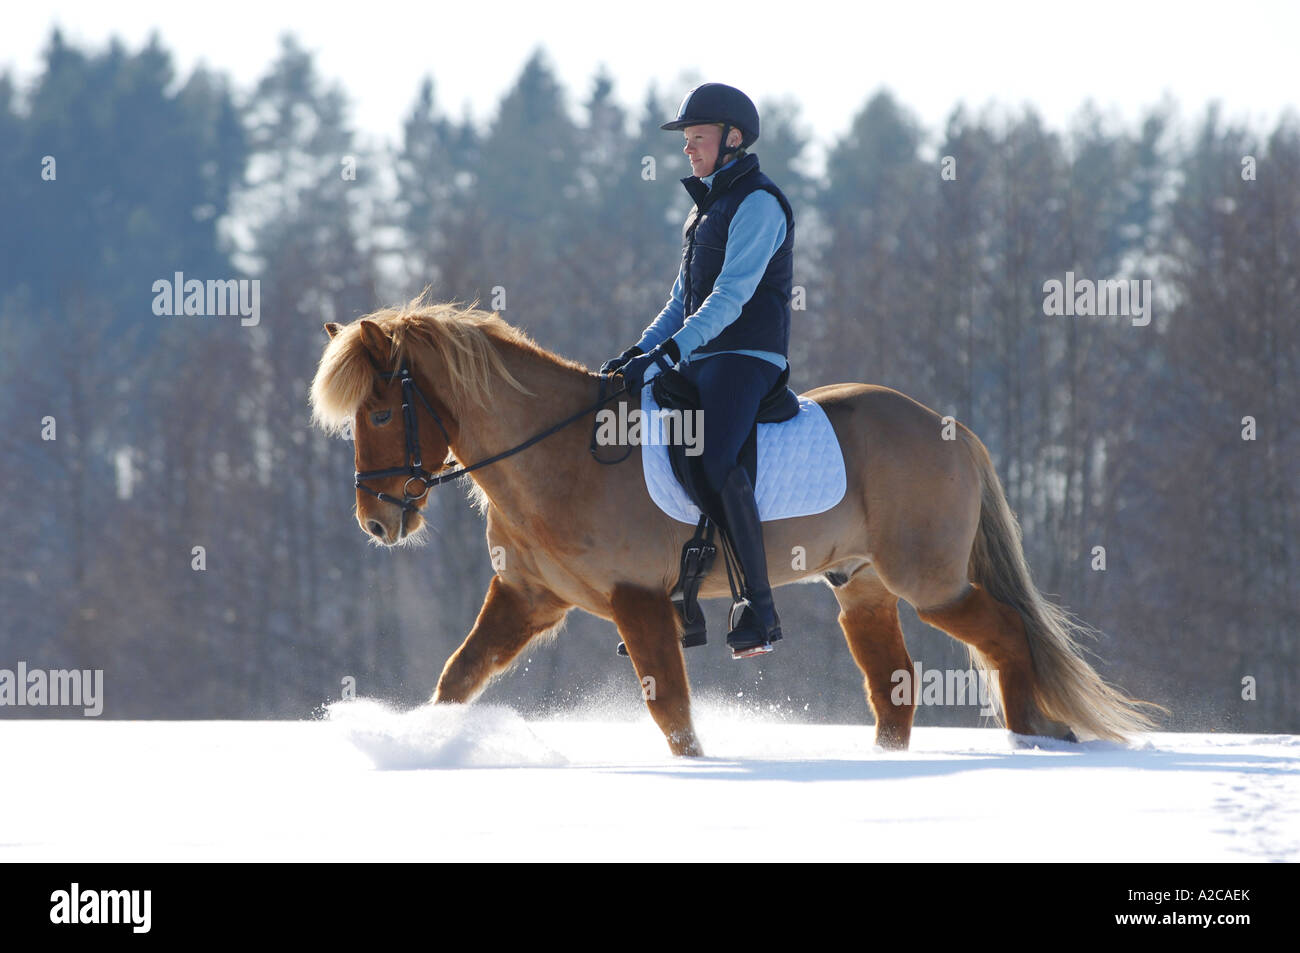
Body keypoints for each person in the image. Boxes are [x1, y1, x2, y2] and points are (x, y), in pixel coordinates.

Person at [600, 82, 795, 660]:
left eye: (697, 138)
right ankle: (680, 600)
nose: (687, 149)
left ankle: (760, 609)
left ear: (733, 139)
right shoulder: (704, 209)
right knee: (642, 436)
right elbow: (682, 300)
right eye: (685, 140)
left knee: (714, 456)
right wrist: (639, 352)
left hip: (745, 357)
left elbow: (729, 299)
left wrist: (670, 353)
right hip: (700, 351)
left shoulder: (759, 203)